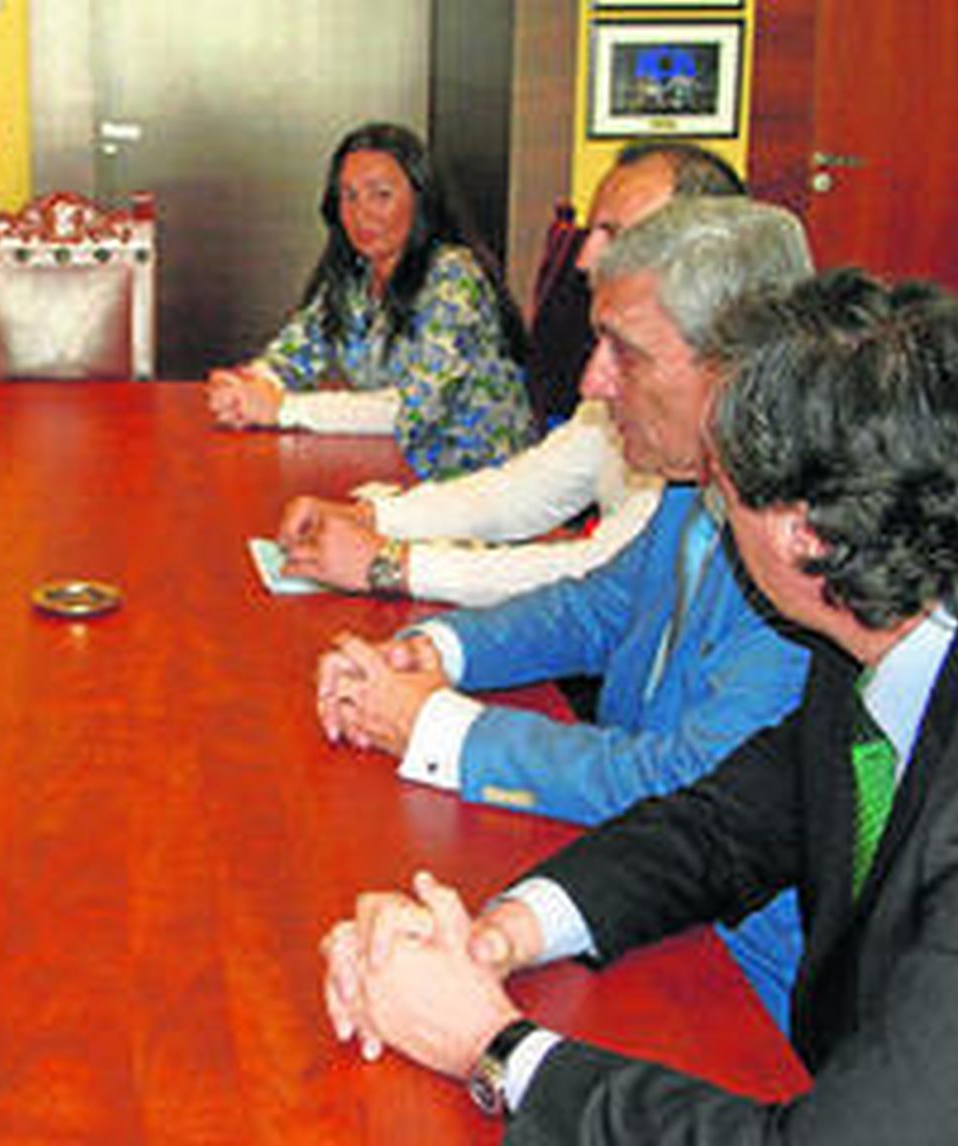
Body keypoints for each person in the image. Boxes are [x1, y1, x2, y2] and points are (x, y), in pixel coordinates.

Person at [320, 270, 958, 1144]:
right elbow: (724, 826)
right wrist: (507, 931)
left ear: (804, 537)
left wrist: (492, 1047)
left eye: (724, 489)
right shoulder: (877, 638)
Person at [315, 197, 812, 1026]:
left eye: (625, 353)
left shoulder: (804, 553)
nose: (591, 381)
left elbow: (689, 786)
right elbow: (592, 609)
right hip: (607, 891)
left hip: (728, 983)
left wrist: (435, 729)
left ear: (737, 370)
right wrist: (429, 652)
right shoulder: (695, 492)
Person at [276, 141, 745, 607]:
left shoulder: (724, 400)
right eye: (348, 196)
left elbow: (602, 573)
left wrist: (391, 564)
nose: (584, 258)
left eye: (615, 234)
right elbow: (530, 488)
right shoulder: (620, 358)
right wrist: (373, 518)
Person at [205, 122, 533, 480]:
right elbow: (292, 356)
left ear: (420, 198)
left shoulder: (454, 277)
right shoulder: (355, 276)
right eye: (349, 196)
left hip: (481, 485)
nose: (361, 214)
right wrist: (249, 386)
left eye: (381, 195)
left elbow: (412, 410)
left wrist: (283, 409)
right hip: (400, 469)